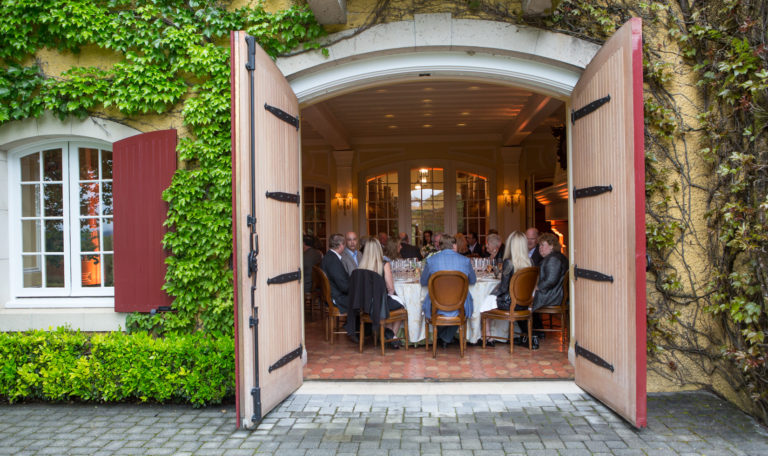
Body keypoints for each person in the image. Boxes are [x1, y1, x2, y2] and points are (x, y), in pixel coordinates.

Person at [420, 234, 477, 348]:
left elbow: (423, 282)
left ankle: (443, 337)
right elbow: (473, 280)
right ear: (453, 245)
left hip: (436, 304)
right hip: (460, 305)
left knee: (438, 308)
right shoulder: (465, 260)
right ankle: (446, 338)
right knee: (460, 307)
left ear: (440, 246)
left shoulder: (431, 260)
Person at [518, 233, 568, 350]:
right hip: (554, 294)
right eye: (539, 245)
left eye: (543, 245)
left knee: (520, 302)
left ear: (551, 246)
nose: (540, 248)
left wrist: (537, 287)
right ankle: (535, 331)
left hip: (551, 296)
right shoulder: (555, 257)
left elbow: (550, 280)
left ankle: (528, 335)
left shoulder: (553, 259)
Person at [484, 231, 532, 346]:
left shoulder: (509, 262)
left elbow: (504, 288)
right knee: (488, 300)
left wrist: (492, 294)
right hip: (525, 303)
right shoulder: (531, 262)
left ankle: (488, 336)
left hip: (510, 303)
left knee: (485, 303)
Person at [357, 238, 405, 348]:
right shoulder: (383, 264)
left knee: (388, 305)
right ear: (379, 249)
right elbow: (391, 289)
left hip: (365, 305)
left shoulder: (361, 266)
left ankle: (389, 337)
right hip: (379, 304)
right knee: (401, 306)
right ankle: (392, 338)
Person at [321, 233, 356, 342]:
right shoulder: (332, 260)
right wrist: (356, 288)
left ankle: (354, 328)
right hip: (337, 297)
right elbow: (344, 286)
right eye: (344, 244)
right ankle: (355, 330)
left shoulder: (329, 257)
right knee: (362, 299)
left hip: (334, 294)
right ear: (341, 245)